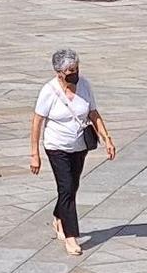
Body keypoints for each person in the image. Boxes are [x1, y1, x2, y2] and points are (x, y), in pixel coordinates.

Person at [30, 49, 116, 256]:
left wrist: (107, 139)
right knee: (66, 187)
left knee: (72, 186)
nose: (74, 74)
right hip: (56, 146)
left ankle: (59, 217)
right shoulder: (48, 91)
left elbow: (93, 113)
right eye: (70, 70)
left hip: (79, 145)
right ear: (59, 72)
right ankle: (71, 237)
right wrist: (35, 153)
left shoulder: (84, 85)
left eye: (76, 69)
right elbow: (37, 122)